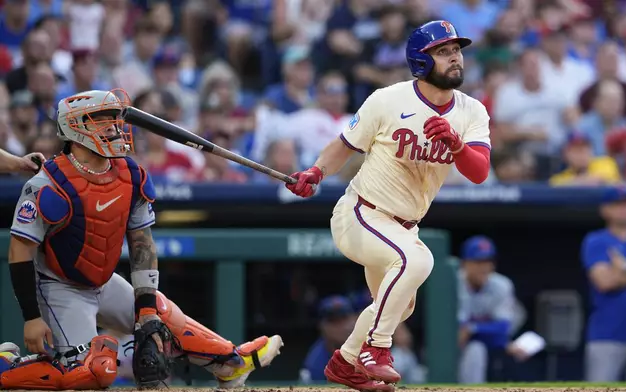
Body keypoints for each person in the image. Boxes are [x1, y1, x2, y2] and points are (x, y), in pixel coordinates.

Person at [2, 89, 283, 390]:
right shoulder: (47, 184)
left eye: (113, 119)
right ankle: (6, 367)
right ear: (75, 128)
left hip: (105, 280)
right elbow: (20, 250)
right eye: (101, 120)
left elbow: (142, 242)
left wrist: (146, 311)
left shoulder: (130, 174)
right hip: (59, 286)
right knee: (93, 372)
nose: (112, 126)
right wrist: (31, 317)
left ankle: (231, 363)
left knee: (159, 315)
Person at [284, 20, 491, 391]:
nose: (455, 58)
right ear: (421, 61)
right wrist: (315, 171)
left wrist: (458, 146)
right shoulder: (387, 99)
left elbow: (479, 172)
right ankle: (376, 350)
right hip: (362, 213)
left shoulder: (472, 111)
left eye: (456, 50)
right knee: (418, 261)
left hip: (404, 226)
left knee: (400, 305)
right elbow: (345, 145)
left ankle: (346, 362)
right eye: (443, 52)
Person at [581, 187, 626, 382]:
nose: (625, 209)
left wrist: (624, 266)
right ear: (605, 210)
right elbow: (604, 282)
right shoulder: (597, 240)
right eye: (618, 205)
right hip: (607, 335)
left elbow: (614, 276)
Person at [456, 236, 526, 384]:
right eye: (478, 262)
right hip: (450, 344)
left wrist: (472, 328)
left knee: (476, 349)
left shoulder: (501, 285)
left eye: (488, 262)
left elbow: (503, 327)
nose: (484, 267)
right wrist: (478, 328)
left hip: (487, 343)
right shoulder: (453, 282)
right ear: (465, 264)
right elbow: (457, 329)